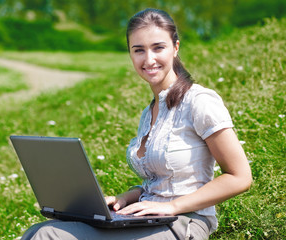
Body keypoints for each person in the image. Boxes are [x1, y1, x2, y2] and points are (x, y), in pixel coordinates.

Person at [23, 8, 252, 240]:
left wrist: (171, 207)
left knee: (49, 236)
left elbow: (240, 177)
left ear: (175, 48)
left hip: (183, 223)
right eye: (139, 50)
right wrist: (123, 199)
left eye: (158, 48)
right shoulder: (149, 112)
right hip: (145, 219)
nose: (149, 59)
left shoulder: (199, 101)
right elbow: (158, 183)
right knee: (41, 231)